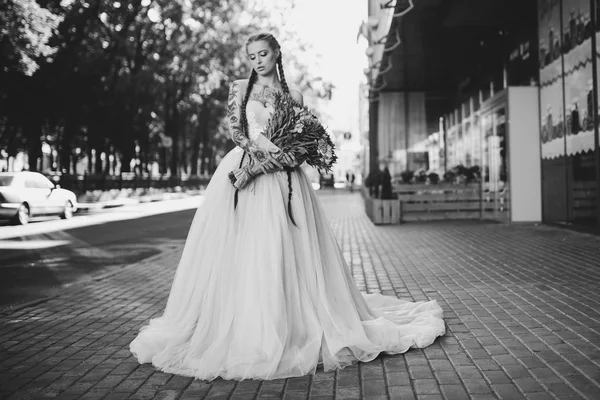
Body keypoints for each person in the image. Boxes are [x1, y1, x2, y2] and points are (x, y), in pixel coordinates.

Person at [129, 32, 445, 381]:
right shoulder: (239, 88)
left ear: (277, 54)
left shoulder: (293, 95)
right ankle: (244, 321)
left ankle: (292, 320)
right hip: (242, 170)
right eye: (252, 56)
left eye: (263, 54)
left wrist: (278, 157)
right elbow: (236, 131)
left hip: (285, 182)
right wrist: (262, 149)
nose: (257, 61)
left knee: (284, 246)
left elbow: (301, 144)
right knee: (244, 249)